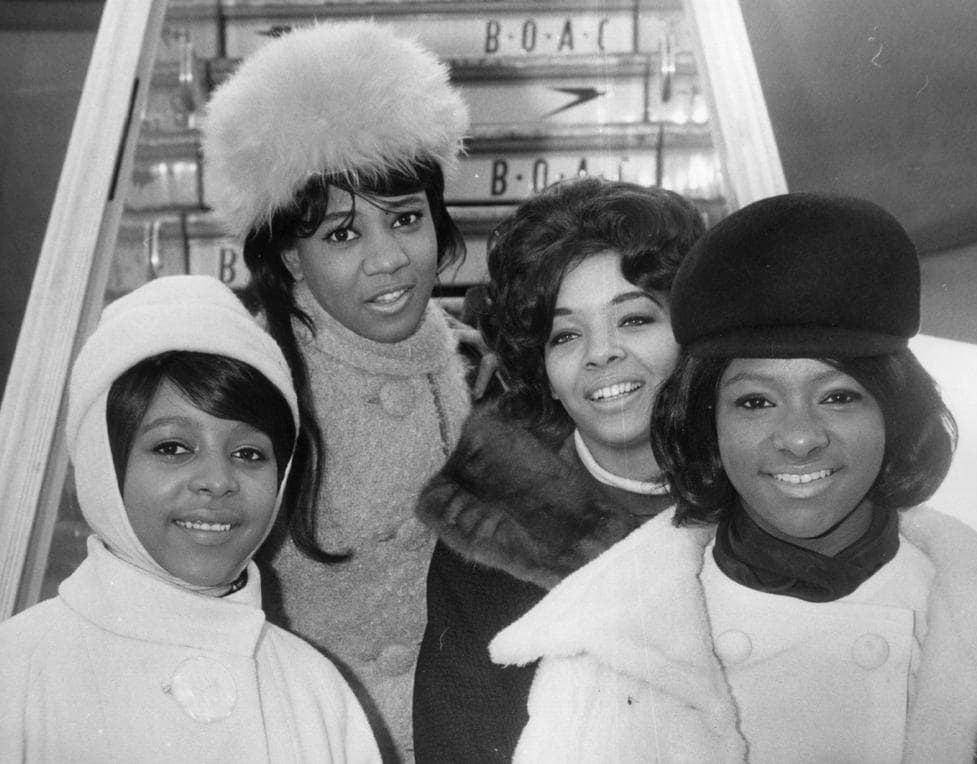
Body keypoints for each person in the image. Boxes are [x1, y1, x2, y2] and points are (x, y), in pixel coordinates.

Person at [489, 192, 977, 762]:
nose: (800, 438)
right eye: (756, 402)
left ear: (896, 413)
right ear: (706, 423)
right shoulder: (609, 648)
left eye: (838, 396)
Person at [201, 21, 473, 760]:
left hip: (457, 723)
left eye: (406, 219)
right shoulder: (254, 388)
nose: (390, 260)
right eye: (343, 235)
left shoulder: (462, 358)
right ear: (291, 255)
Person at [0, 275, 380, 762]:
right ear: (101, 465)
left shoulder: (315, 689)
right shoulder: (16, 671)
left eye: (248, 453)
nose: (217, 481)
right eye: (173, 448)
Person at [413, 176, 706, 761]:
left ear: (691, 334)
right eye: (566, 334)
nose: (601, 353)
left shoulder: (764, 494)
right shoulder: (489, 534)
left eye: (634, 320)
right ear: (540, 367)